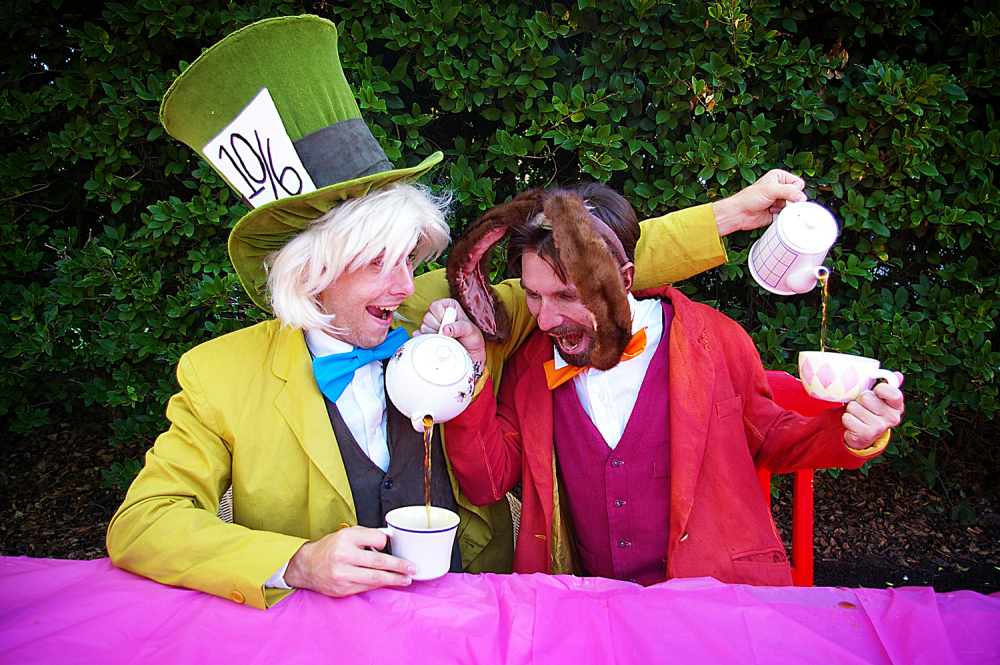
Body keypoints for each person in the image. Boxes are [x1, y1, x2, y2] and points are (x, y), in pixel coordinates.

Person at [106, 15, 813, 609]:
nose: (402, 284)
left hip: (481, 612)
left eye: (410, 256)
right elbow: (144, 522)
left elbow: (587, 268)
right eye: (377, 262)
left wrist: (729, 215)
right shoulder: (219, 375)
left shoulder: (450, 310)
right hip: (322, 633)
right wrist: (295, 562)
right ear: (311, 271)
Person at [435, 187, 906, 586]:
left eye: (567, 296)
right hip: (596, 606)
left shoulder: (714, 338)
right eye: (533, 295)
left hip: (718, 602)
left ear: (624, 280)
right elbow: (487, 480)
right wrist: (469, 371)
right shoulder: (532, 363)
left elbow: (772, 438)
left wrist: (850, 434)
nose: (545, 319)